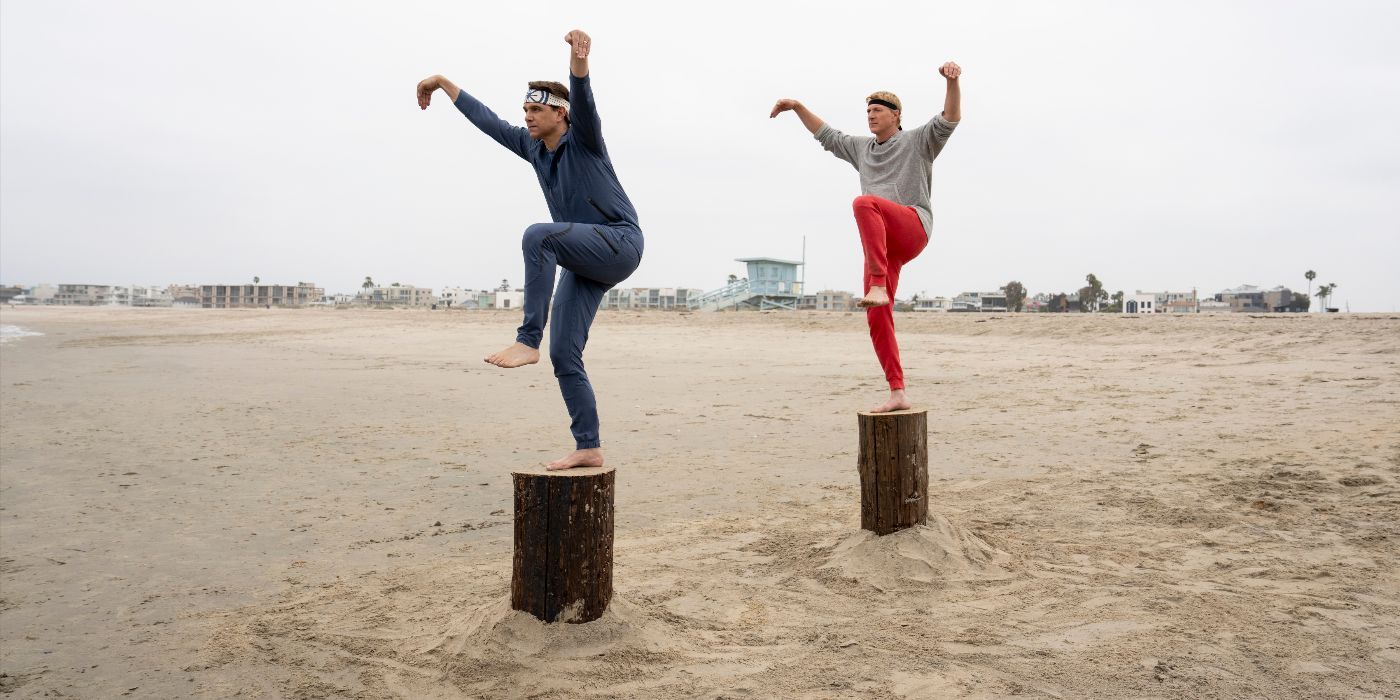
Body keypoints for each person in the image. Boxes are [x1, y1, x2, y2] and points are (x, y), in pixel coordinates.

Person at [416, 29, 643, 470]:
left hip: (619, 242)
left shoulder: (585, 141)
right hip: (585, 258)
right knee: (565, 354)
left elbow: (584, 96)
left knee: (538, 234)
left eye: (536, 109)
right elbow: (488, 122)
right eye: (525, 110)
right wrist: (444, 84)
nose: (527, 117)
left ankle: (526, 340)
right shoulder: (533, 148)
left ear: (561, 114)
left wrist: (579, 62)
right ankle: (588, 444)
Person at [770, 62, 962, 413]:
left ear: (896, 115)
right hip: (883, 247)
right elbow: (827, 135)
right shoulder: (863, 149)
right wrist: (797, 107)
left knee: (864, 203)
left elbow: (950, 118)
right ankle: (897, 391)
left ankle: (876, 285)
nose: (871, 116)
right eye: (868, 111)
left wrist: (953, 82)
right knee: (876, 315)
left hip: (913, 226)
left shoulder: (918, 141)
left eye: (877, 111)